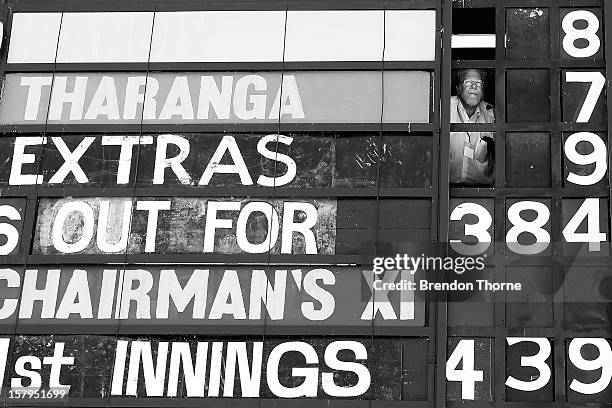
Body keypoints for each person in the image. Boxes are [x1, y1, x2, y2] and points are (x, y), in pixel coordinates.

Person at [449, 69, 495, 186]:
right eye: (468, 82)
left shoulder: (492, 115)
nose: (474, 86)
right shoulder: (444, 109)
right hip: (446, 188)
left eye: (478, 83)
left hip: (483, 189)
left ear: (483, 90)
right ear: (458, 88)